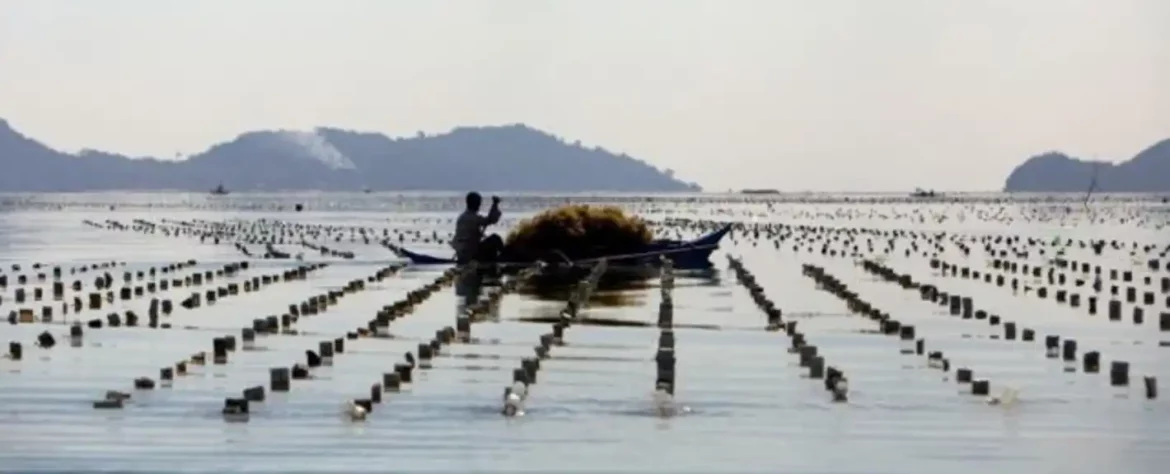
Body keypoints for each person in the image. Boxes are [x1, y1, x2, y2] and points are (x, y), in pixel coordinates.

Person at [452, 191, 503, 264]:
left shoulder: (462, 217)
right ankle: (504, 257)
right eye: (478, 203)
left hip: (462, 253)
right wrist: (495, 204)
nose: (479, 205)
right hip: (469, 254)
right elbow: (491, 220)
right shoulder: (472, 217)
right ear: (474, 204)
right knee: (495, 238)